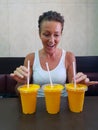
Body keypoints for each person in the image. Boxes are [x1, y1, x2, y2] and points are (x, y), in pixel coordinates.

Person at [10, 10, 98, 97]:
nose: (51, 40)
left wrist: (80, 85)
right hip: (37, 105)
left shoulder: (68, 57)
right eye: (46, 34)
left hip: (63, 104)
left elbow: (73, 88)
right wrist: (21, 83)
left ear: (61, 35)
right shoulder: (31, 58)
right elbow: (19, 93)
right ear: (39, 34)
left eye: (56, 35)